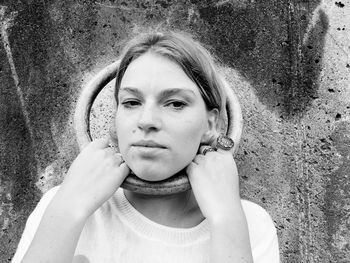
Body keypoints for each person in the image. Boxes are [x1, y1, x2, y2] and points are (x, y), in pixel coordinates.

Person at [12, 30, 279, 263]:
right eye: (131, 103)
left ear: (211, 124)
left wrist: (225, 220)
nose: (146, 121)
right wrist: (67, 211)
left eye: (175, 103)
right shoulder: (61, 203)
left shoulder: (248, 222)